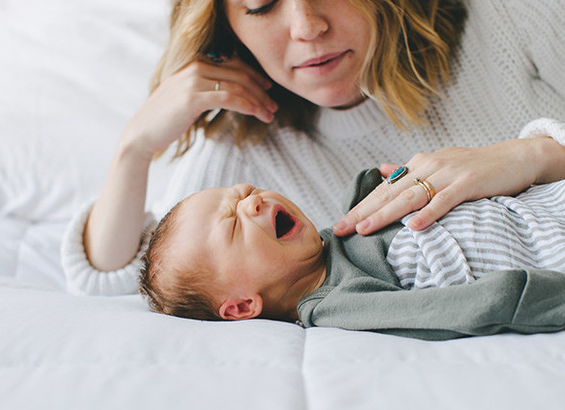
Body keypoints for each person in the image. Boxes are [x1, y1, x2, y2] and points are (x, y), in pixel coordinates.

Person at [61, 0, 565, 297]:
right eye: (260, 5)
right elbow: (123, 284)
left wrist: (533, 157)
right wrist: (134, 149)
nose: (306, 27)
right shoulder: (249, 147)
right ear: (226, 20)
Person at [138, 169, 565, 340]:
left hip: (541, 202)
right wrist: (523, 296)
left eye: (247, 193)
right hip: (545, 250)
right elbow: (453, 310)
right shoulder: (334, 305)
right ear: (242, 306)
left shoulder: (333, 242)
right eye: (233, 224)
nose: (253, 203)